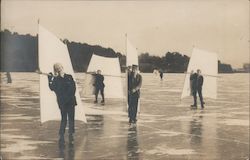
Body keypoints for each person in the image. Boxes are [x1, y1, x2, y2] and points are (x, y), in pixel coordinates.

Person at [48, 63, 77, 144]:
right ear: (55, 69)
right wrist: (50, 79)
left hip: (70, 101)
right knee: (64, 118)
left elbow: (73, 88)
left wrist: (68, 97)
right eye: (57, 68)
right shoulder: (56, 79)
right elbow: (52, 88)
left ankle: (71, 133)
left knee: (71, 118)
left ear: (62, 67)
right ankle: (61, 133)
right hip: (62, 102)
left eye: (60, 67)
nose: (59, 68)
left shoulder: (69, 76)